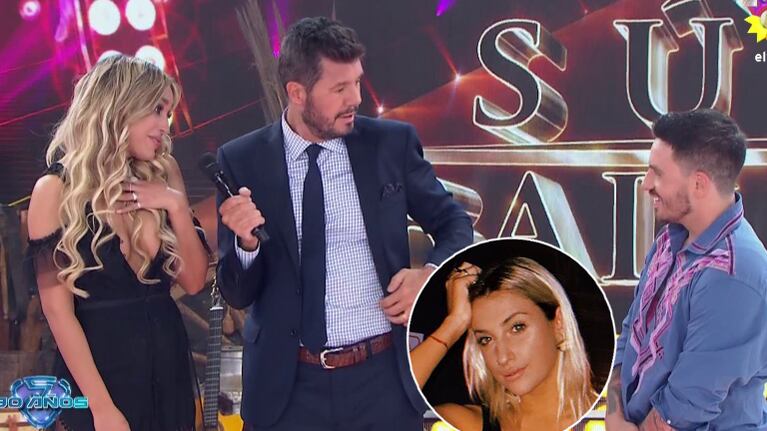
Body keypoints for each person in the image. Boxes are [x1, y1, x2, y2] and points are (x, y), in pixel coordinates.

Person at [215, 16, 473, 431]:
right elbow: (237, 292)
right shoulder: (242, 160)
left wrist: (429, 275)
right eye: (339, 88)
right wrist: (246, 245)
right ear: (297, 93)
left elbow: (454, 222)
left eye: (357, 81)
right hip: (286, 388)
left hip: (383, 381)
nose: (356, 98)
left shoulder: (391, 144)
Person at [26, 54, 210, 431]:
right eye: (156, 110)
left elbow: (194, 281)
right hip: (100, 381)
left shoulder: (163, 173)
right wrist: (102, 408)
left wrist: (175, 205)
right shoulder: (55, 190)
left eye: (167, 113)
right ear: (119, 107)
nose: (164, 125)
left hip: (169, 375)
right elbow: (59, 313)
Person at [606, 109, 767, 430]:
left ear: (698, 184)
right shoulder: (670, 239)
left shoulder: (734, 275)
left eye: (657, 173)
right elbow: (631, 332)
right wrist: (613, 413)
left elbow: (685, 407)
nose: (646, 184)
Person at [410, 258, 597, 431]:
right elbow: (395, 407)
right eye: (486, 339)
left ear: (559, 324)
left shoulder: (604, 419)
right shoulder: (463, 424)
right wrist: (454, 323)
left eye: (517, 328)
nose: (502, 357)